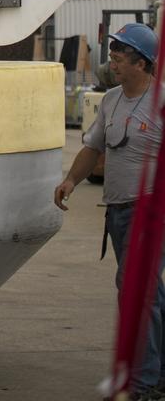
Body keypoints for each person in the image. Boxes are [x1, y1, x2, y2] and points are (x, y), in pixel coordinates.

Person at [54, 22, 164, 400]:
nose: (113, 57)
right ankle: (158, 371)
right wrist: (71, 180)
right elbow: (93, 148)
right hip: (117, 213)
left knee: (135, 289)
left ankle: (145, 383)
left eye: (121, 52)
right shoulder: (112, 100)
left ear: (143, 63)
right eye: (114, 49)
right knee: (151, 294)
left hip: (151, 213)